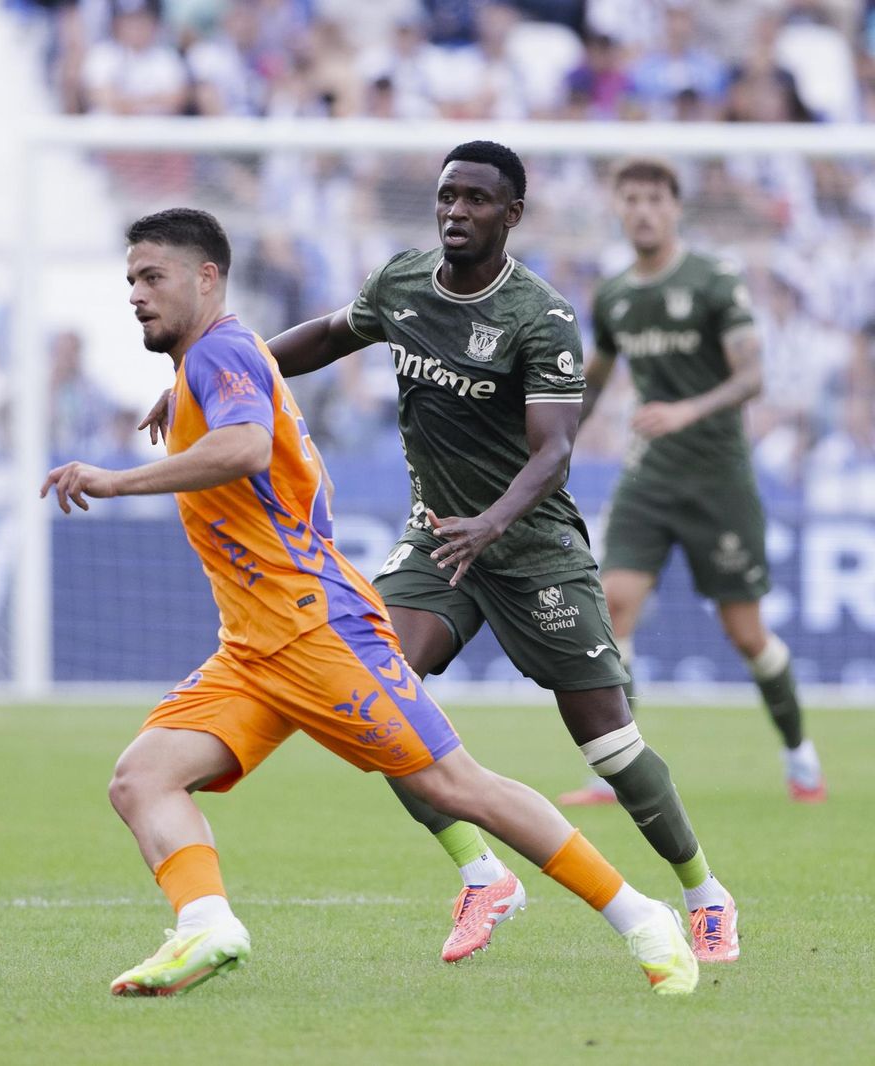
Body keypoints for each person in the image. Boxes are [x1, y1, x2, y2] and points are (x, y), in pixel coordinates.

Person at [56, 207, 696, 999]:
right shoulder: (216, 360)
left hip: (316, 628)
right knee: (143, 777)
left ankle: (643, 918)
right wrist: (177, 404)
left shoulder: (221, 350)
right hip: (254, 647)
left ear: (206, 277)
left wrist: (117, 478)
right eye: (130, 281)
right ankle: (205, 927)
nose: (136, 295)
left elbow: (246, 445)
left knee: (457, 786)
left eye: (152, 278)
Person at [567, 158, 825, 806]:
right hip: (649, 476)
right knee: (614, 606)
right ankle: (620, 770)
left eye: (655, 198)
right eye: (631, 199)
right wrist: (555, 445)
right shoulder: (617, 294)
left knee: (746, 634)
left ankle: (800, 754)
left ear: (675, 207)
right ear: (619, 210)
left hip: (719, 478)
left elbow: (753, 378)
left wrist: (686, 409)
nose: (644, 210)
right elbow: (596, 382)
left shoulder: (713, 280)